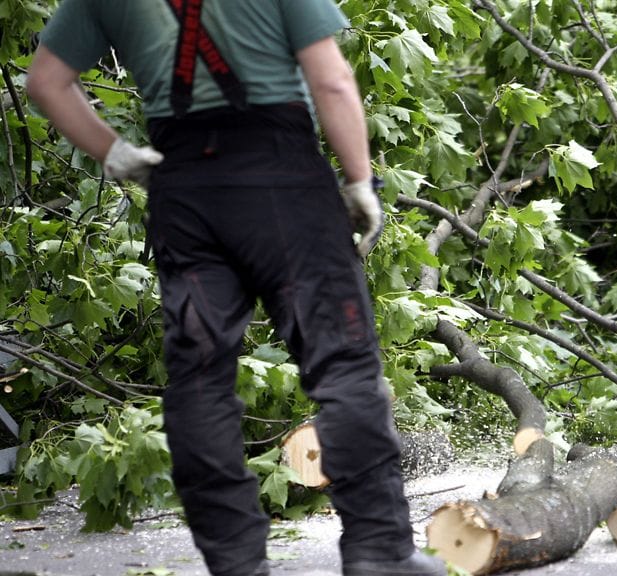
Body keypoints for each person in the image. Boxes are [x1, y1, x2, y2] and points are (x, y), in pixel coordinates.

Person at [26, 1, 446, 575]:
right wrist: (359, 180)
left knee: (199, 378)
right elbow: (331, 80)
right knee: (343, 366)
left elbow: (46, 82)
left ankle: (236, 563)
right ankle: (379, 551)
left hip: (186, 191)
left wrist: (115, 152)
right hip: (282, 180)